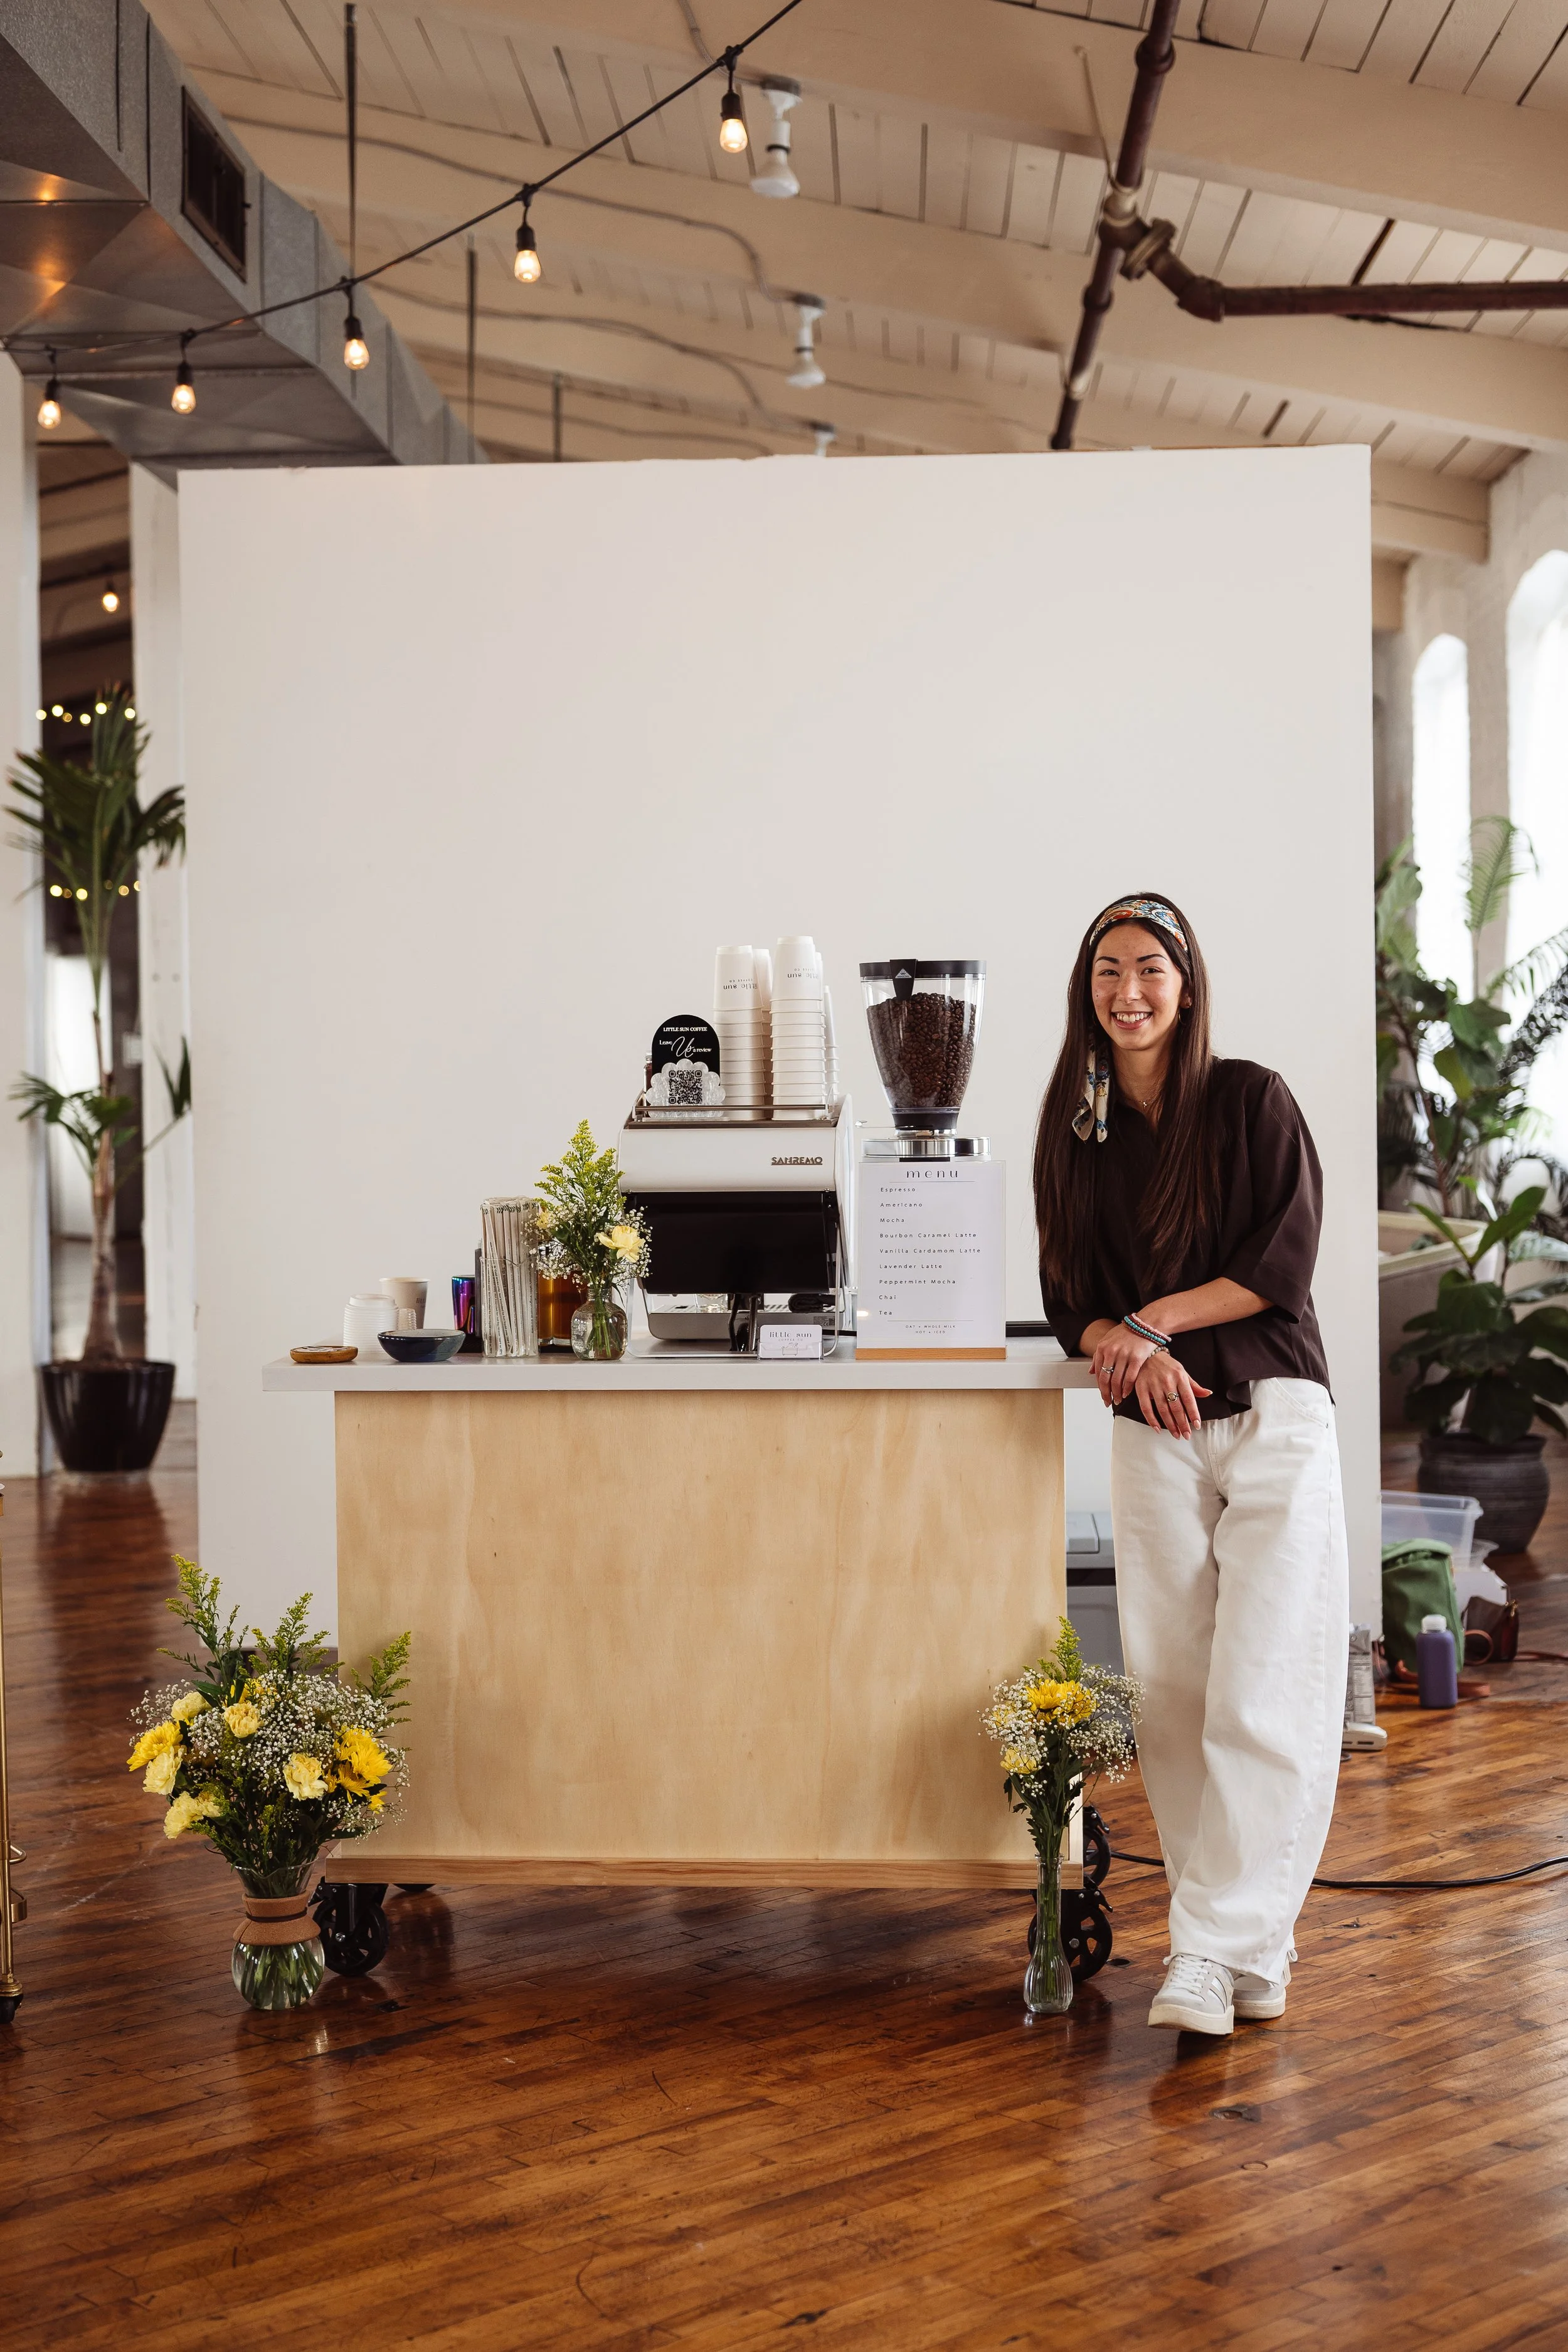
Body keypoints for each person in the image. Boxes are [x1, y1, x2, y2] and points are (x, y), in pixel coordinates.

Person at [1034, 893, 1348, 2037]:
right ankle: (1249, 1944)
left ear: (1187, 980)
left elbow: (1284, 1261)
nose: (1130, 990)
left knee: (1266, 1689)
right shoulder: (1074, 1133)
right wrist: (1119, 1340)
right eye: (1109, 970)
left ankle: (1208, 1953)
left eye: (1150, 968)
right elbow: (1072, 1304)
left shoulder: (1251, 1099)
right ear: (1088, 989)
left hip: (1270, 1411)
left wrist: (1153, 1320)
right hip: (1154, 1432)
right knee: (1172, 1696)